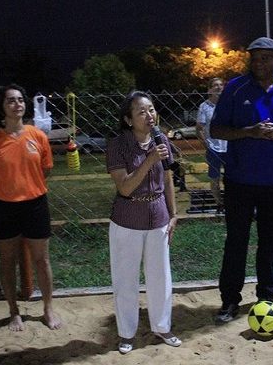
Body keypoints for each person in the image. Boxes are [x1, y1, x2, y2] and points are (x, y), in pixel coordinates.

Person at [210, 37, 273, 323]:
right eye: (254, 58)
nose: (259, 63)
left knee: (269, 240)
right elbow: (217, 130)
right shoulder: (235, 88)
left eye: (265, 58)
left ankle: (267, 296)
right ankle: (230, 300)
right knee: (236, 241)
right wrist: (250, 131)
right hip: (240, 180)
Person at [0, 84, 61, 331]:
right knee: (8, 260)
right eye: (11, 101)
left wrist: (28, 187)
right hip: (4, 207)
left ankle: (48, 308)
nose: (17, 104)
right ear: (2, 108)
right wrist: (10, 190)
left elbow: (45, 169)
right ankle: (13, 311)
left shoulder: (37, 136)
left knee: (42, 259)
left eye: (20, 100)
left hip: (35, 205)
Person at [106, 90, 181, 354]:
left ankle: (162, 327)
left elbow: (169, 179)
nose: (149, 115)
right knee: (126, 280)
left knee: (160, 277)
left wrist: (173, 214)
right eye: (141, 111)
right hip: (127, 220)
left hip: (158, 217)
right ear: (128, 120)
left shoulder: (162, 141)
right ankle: (127, 333)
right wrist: (150, 159)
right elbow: (125, 188)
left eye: (151, 110)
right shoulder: (118, 145)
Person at [196, 77, 228, 211]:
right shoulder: (204, 107)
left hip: (229, 147)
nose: (219, 87)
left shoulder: (229, 105)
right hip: (213, 148)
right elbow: (199, 128)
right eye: (215, 85)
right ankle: (219, 203)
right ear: (209, 90)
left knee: (231, 177)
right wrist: (206, 144)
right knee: (214, 178)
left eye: (221, 85)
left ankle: (232, 201)